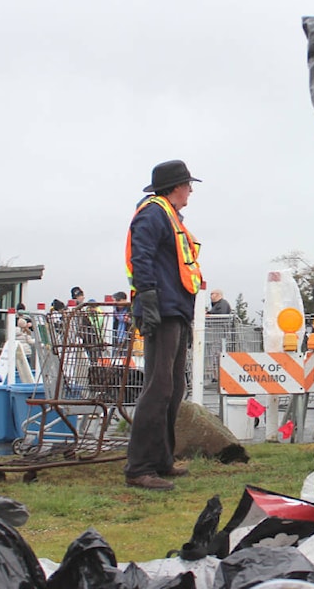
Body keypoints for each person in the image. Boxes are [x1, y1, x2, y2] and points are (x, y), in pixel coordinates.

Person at [123, 159, 204, 491]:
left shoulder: (168, 216)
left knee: (172, 387)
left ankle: (161, 460)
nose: (191, 191)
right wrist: (150, 298)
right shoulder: (153, 213)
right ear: (175, 187)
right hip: (163, 309)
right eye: (188, 185)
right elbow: (140, 256)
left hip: (176, 309)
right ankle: (139, 468)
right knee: (158, 388)